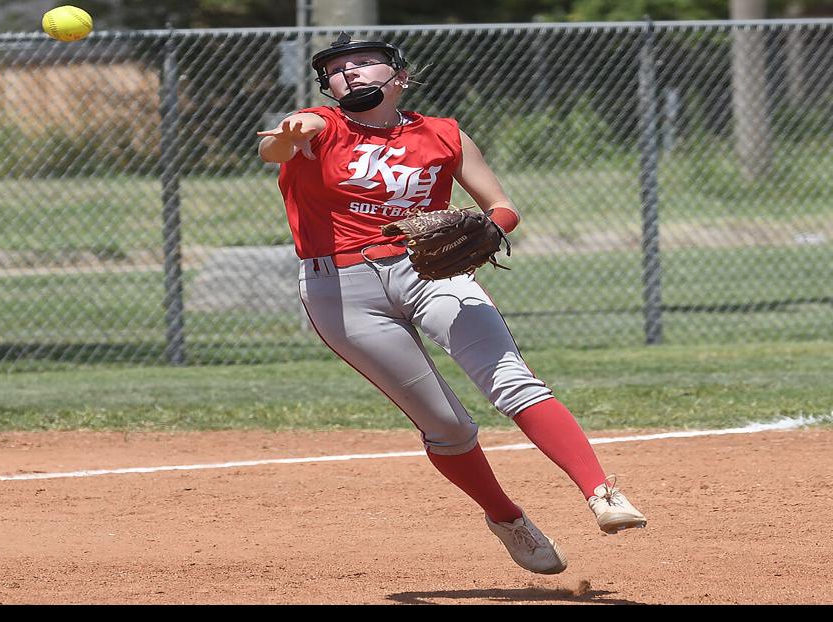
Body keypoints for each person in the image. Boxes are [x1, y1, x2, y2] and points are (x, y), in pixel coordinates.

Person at [256, 33, 646, 575]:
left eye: (366, 63)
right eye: (339, 69)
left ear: (401, 77)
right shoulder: (319, 127)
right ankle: (506, 517)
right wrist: (288, 135)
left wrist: (489, 227)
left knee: (513, 383)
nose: (352, 73)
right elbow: (274, 148)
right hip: (343, 289)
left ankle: (602, 493)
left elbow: (503, 207)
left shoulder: (442, 134)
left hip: (428, 269)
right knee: (448, 426)